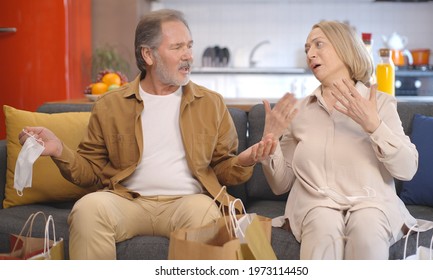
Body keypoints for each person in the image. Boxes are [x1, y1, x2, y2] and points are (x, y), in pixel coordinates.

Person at [18, 9, 269, 260]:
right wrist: (59, 150)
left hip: (188, 202)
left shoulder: (211, 103)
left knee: (204, 214)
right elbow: (91, 171)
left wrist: (244, 160)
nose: (188, 56)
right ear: (148, 54)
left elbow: (222, 168)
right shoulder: (110, 104)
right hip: (127, 202)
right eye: (177, 47)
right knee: (87, 209)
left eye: (190, 46)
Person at [256, 21, 419, 259]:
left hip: (372, 204)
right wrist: (271, 143)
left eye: (318, 44)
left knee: (367, 227)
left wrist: (374, 126)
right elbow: (281, 184)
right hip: (315, 206)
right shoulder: (298, 112)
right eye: (307, 49)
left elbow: (407, 169)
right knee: (323, 224)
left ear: (345, 49)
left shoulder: (381, 103)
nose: (310, 54)